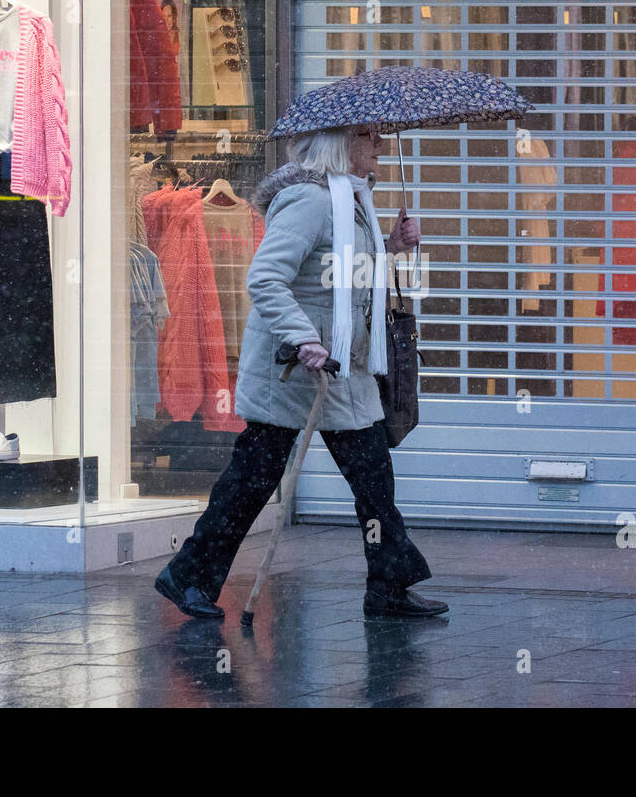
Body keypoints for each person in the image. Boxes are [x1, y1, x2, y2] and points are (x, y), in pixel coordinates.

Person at [155, 124, 448, 619]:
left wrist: (393, 245)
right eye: (369, 137)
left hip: (346, 374)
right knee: (251, 483)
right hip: (295, 375)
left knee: (375, 484)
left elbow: (342, 275)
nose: (378, 147)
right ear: (342, 146)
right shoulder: (310, 202)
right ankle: (189, 575)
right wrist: (303, 336)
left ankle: (388, 587)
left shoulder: (352, 201)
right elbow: (266, 278)